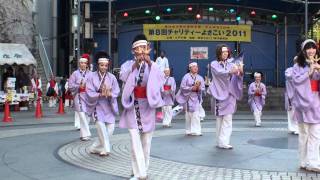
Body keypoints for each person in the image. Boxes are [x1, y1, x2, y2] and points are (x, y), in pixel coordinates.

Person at [119, 34, 164, 180]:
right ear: (134, 51)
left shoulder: (154, 66)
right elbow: (123, 76)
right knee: (134, 139)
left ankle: (139, 170)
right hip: (133, 106)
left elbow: (161, 79)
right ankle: (141, 174)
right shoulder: (128, 65)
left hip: (148, 106)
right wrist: (135, 66)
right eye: (138, 48)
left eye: (144, 48)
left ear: (148, 50)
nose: (141, 51)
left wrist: (150, 63)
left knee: (146, 141)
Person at [207, 44, 243, 149]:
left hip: (230, 94)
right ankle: (220, 140)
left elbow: (237, 75)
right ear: (219, 53)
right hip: (219, 93)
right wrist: (230, 71)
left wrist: (240, 71)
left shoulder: (232, 64)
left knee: (228, 118)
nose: (225, 53)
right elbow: (219, 73)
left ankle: (224, 141)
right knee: (219, 119)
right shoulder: (214, 64)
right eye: (223, 52)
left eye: (226, 51)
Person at [292, 39, 320, 172]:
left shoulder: (318, 63)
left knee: (315, 134)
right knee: (304, 134)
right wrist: (309, 71)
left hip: (316, 102)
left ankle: (313, 162)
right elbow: (296, 81)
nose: (311, 50)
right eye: (308, 48)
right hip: (303, 103)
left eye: (313, 48)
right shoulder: (298, 66)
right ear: (303, 51)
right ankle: (303, 161)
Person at [86, 51, 120, 156]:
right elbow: (89, 91)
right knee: (101, 126)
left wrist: (110, 94)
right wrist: (100, 94)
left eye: (106, 65)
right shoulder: (91, 77)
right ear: (98, 65)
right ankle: (106, 149)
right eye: (101, 65)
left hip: (109, 104)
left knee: (111, 128)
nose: (104, 67)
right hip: (97, 104)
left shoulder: (112, 77)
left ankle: (94, 148)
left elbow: (117, 91)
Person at [176, 62, 205, 136]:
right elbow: (182, 87)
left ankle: (196, 130)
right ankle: (188, 130)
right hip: (188, 97)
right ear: (190, 68)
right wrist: (191, 88)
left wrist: (198, 88)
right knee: (188, 115)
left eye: (197, 67)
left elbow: (203, 88)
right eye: (194, 67)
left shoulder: (200, 77)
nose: (196, 68)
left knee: (196, 114)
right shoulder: (186, 77)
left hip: (196, 97)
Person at [68, 56, 92, 140]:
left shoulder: (90, 74)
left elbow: (94, 85)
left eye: (85, 63)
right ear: (79, 64)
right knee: (81, 114)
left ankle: (83, 135)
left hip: (88, 97)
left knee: (87, 116)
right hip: (78, 96)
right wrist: (79, 86)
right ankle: (88, 132)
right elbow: (70, 86)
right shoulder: (75, 74)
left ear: (87, 64)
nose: (83, 64)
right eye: (81, 63)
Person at [285, 56, 299, 135]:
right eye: (296, 61)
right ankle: (291, 128)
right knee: (290, 112)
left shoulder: (303, 70)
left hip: (299, 95)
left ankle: (297, 128)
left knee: (297, 112)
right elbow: (288, 77)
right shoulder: (289, 70)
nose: (297, 62)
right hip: (290, 94)